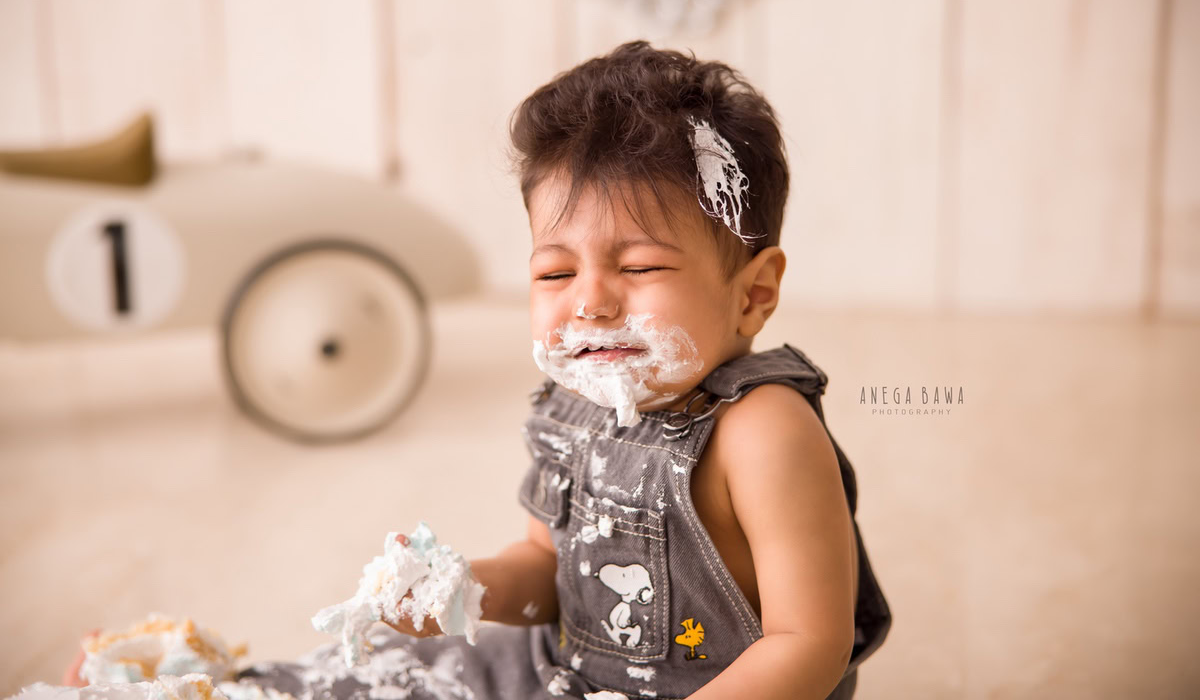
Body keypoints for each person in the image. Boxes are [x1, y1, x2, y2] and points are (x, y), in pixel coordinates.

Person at [64, 41, 891, 699]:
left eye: (639, 267)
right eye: (555, 272)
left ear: (753, 294)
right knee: (380, 678)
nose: (590, 302)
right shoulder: (574, 407)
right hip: (547, 673)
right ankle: (201, 685)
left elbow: (809, 646)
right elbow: (547, 572)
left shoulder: (763, 431)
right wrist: (465, 590)